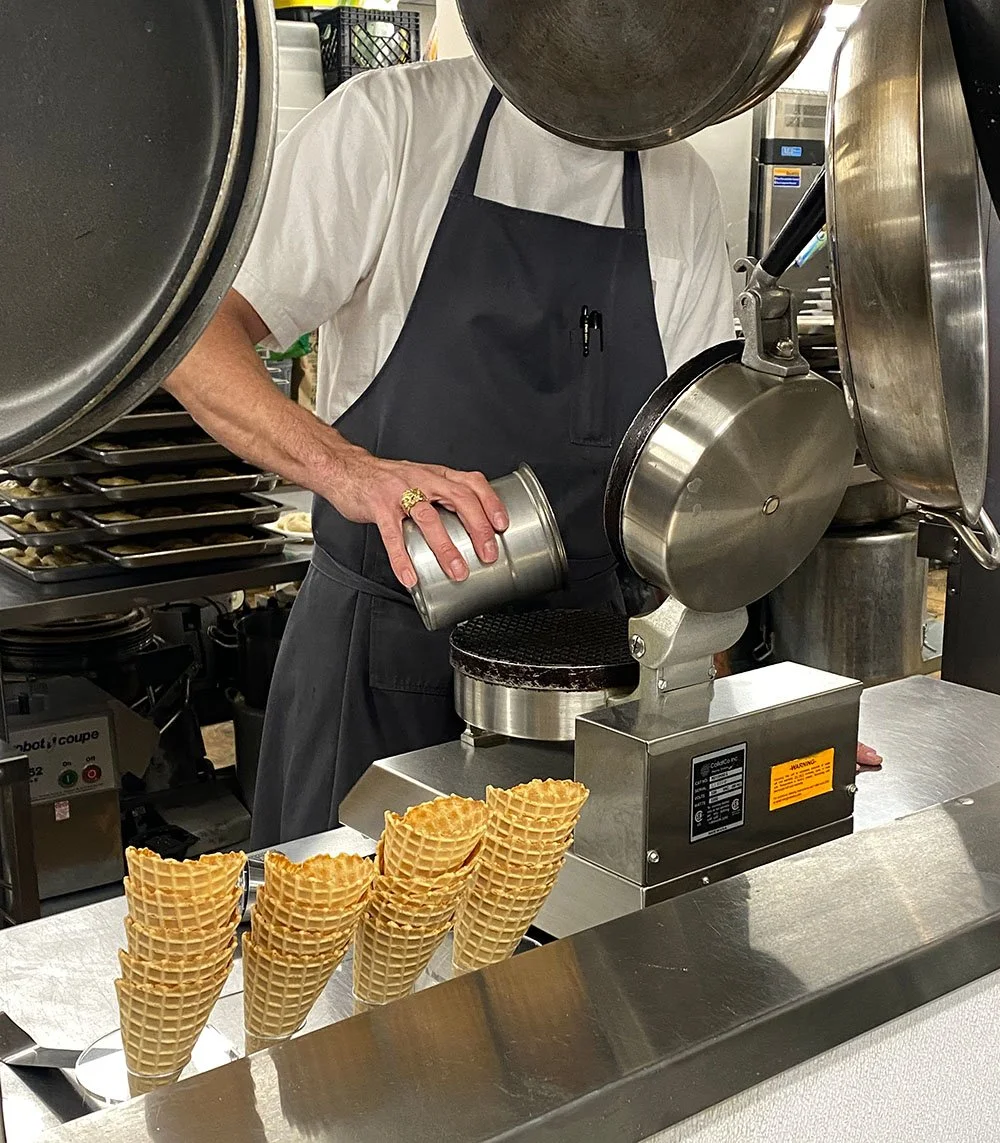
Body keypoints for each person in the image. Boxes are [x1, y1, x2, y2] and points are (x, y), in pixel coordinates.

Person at [164, 54, 736, 847]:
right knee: (349, 920)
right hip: (380, 661)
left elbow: (698, 478)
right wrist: (346, 468)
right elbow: (194, 339)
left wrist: (728, 722)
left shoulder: (681, 184)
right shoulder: (393, 124)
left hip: (585, 676)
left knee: (571, 922)